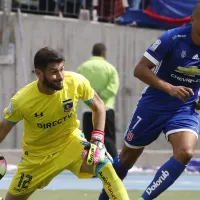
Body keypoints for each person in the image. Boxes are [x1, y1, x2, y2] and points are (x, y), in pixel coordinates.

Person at [99, 2, 200, 200]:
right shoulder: (172, 37)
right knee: (126, 159)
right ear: (194, 19)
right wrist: (169, 88)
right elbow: (140, 69)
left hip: (184, 108)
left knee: (186, 152)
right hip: (154, 105)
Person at [0, 47, 130, 200]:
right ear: (39, 73)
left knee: (104, 164)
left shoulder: (75, 81)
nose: (60, 76)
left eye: (62, 69)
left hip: (71, 144)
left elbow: (99, 106)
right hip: (36, 158)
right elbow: (3, 128)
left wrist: (97, 139)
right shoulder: (21, 101)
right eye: (54, 72)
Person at [77, 43, 119, 159]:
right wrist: (99, 95)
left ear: (92, 52)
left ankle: (90, 166)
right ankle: (115, 165)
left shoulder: (82, 68)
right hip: (106, 109)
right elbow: (113, 89)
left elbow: (77, 87)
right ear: (104, 52)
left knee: (89, 140)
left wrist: (90, 96)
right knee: (108, 139)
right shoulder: (110, 68)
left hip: (88, 109)